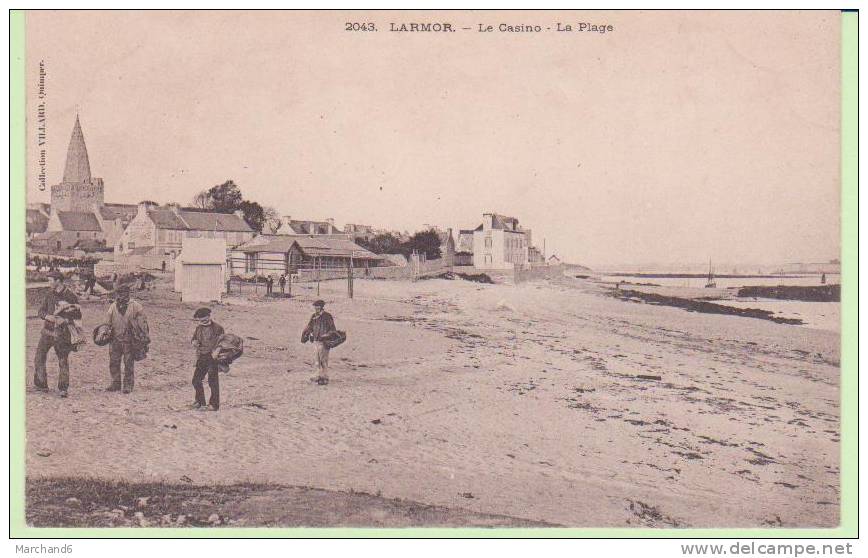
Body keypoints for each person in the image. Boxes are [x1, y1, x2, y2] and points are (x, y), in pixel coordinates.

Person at [33, 271, 81, 397]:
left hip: (63, 334)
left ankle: (63, 389)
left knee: (62, 360)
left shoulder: (70, 296)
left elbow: (78, 315)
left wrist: (65, 320)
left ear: (58, 280)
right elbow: (40, 311)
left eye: (50, 280)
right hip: (47, 332)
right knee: (39, 357)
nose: (49, 283)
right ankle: (41, 385)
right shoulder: (49, 294)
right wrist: (47, 316)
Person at [105, 285, 149, 393]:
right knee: (114, 362)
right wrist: (106, 332)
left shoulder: (136, 306)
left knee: (128, 363)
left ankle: (128, 385)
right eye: (119, 294)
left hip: (129, 340)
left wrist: (143, 338)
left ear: (128, 293)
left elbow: (143, 324)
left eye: (123, 293)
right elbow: (107, 322)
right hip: (115, 339)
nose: (120, 296)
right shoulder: (113, 306)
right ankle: (115, 383)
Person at [190, 307, 224, 411]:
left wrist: (217, 352)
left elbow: (223, 342)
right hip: (202, 356)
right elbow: (194, 339)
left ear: (209, 316)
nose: (203, 322)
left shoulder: (218, 328)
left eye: (205, 319)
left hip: (213, 357)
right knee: (196, 380)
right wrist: (194, 342)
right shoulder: (198, 328)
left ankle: (214, 405)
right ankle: (200, 402)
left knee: (212, 381)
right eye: (201, 320)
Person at [301, 300, 337, 386]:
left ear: (321, 307)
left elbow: (332, 329)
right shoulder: (314, 316)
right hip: (316, 341)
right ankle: (318, 376)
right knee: (317, 360)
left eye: (317, 306)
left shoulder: (327, 316)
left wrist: (325, 336)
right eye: (315, 306)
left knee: (323, 360)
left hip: (324, 342)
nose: (316, 308)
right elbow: (310, 326)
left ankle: (324, 378)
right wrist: (308, 334)